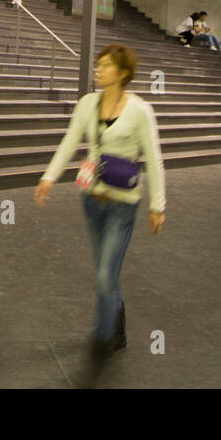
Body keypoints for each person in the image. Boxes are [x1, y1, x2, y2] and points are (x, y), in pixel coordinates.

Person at [35, 45, 165, 361]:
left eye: (106, 65)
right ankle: (116, 320)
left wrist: (157, 204)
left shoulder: (140, 110)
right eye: (98, 64)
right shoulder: (87, 104)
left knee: (106, 275)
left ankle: (102, 340)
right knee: (105, 271)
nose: (98, 69)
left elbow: (154, 158)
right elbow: (70, 141)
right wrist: (49, 176)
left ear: (123, 73)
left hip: (123, 203)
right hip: (92, 199)